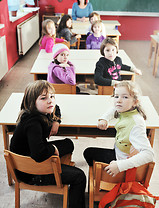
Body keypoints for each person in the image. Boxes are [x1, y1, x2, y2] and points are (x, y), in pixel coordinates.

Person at [10, 80, 86, 208]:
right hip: (31, 172)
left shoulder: (36, 111)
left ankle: (56, 164)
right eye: (44, 98)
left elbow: (56, 108)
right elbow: (39, 154)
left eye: (52, 96)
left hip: (32, 156)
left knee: (68, 144)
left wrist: (56, 121)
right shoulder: (33, 124)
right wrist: (53, 149)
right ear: (32, 102)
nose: (50, 101)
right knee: (79, 176)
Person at [84, 81, 154, 177]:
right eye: (116, 96)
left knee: (88, 153)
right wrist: (104, 118)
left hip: (122, 161)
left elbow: (149, 154)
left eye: (125, 97)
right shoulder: (127, 110)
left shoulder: (136, 123)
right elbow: (114, 108)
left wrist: (120, 165)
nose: (119, 101)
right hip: (121, 152)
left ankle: (106, 177)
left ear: (135, 102)